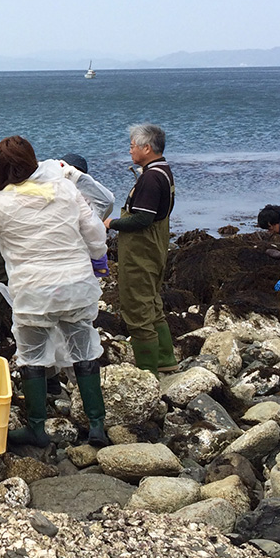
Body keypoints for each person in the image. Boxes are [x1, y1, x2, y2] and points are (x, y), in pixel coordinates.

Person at [0, 138, 109, 447]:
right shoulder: (63, 190)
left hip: (34, 293)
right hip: (76, 286)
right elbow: (95, 233)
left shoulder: (1, 203)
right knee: (85, 351)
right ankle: (97, 426)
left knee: (32, 358)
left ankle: (37, 428)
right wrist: (98, 256)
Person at [104, 124, 175, 375]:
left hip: (142, 252)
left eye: (133, 145)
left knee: (137, 308)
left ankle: (147, 371)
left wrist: (111, 223)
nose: (130, 149)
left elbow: (142, 219)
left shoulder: (151, 178)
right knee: (152, 304)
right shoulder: (163, 171)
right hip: (155, 248)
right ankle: (166, 358)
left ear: (147, 148)